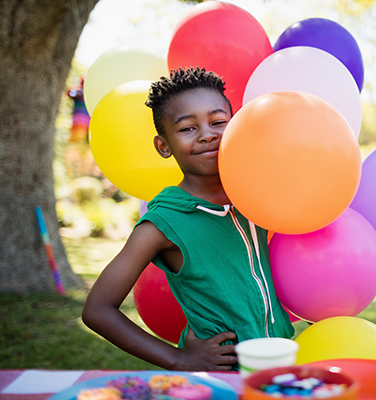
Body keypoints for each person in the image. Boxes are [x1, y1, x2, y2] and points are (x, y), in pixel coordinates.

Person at [82, 67, 294, 371]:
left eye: (218, 122)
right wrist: (178, 358)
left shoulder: (253, 196)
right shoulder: (163, 222)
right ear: (164, 146)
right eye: (187, 128)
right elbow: (97, 310)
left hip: (277, 364)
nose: (207, 134)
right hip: (219, 378)